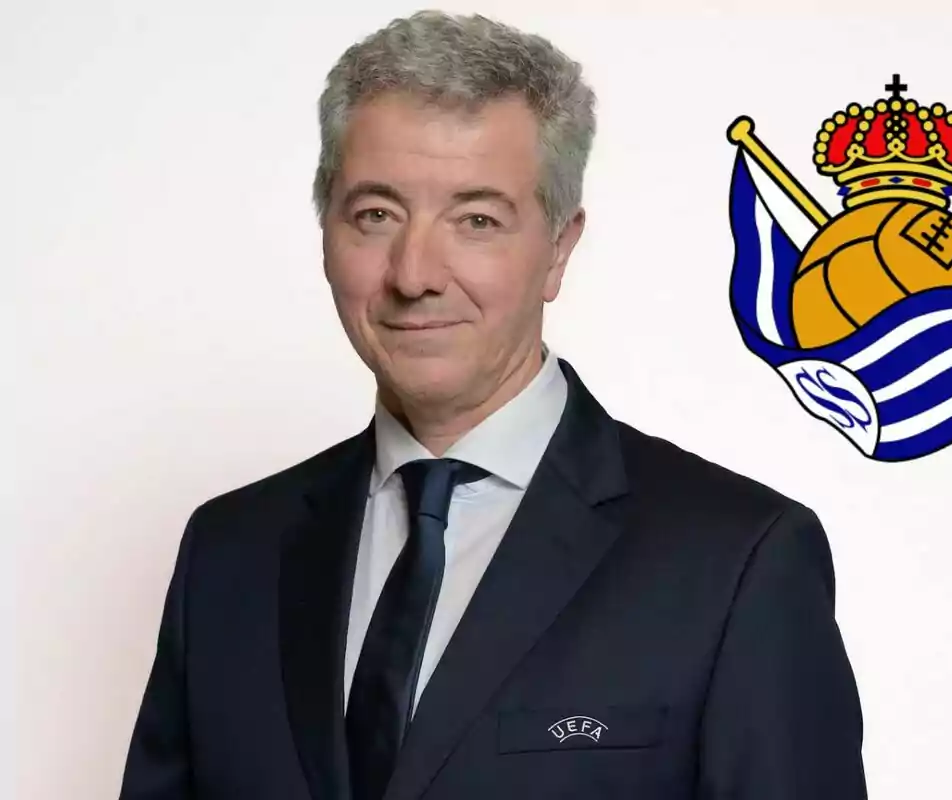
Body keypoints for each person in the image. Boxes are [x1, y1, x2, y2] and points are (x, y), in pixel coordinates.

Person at [118, 10, 867, 800]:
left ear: (559, 249)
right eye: (376, 215)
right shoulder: (230, 553)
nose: (415, 273)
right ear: (325, 232)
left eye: (476, 220)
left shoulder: (737, 559)